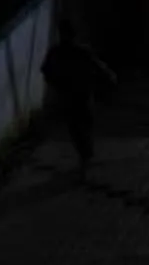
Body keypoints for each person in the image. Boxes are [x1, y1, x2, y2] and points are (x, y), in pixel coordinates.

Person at [41, 30, 117, 173]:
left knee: (79, 124)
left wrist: (56, 83)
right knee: (80, 123)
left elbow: (46, 70)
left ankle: (85, 152)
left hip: (74, 93)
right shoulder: (74, 51)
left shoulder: (61, 51)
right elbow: (98, 66)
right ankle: (85, 152)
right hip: (78, 93)